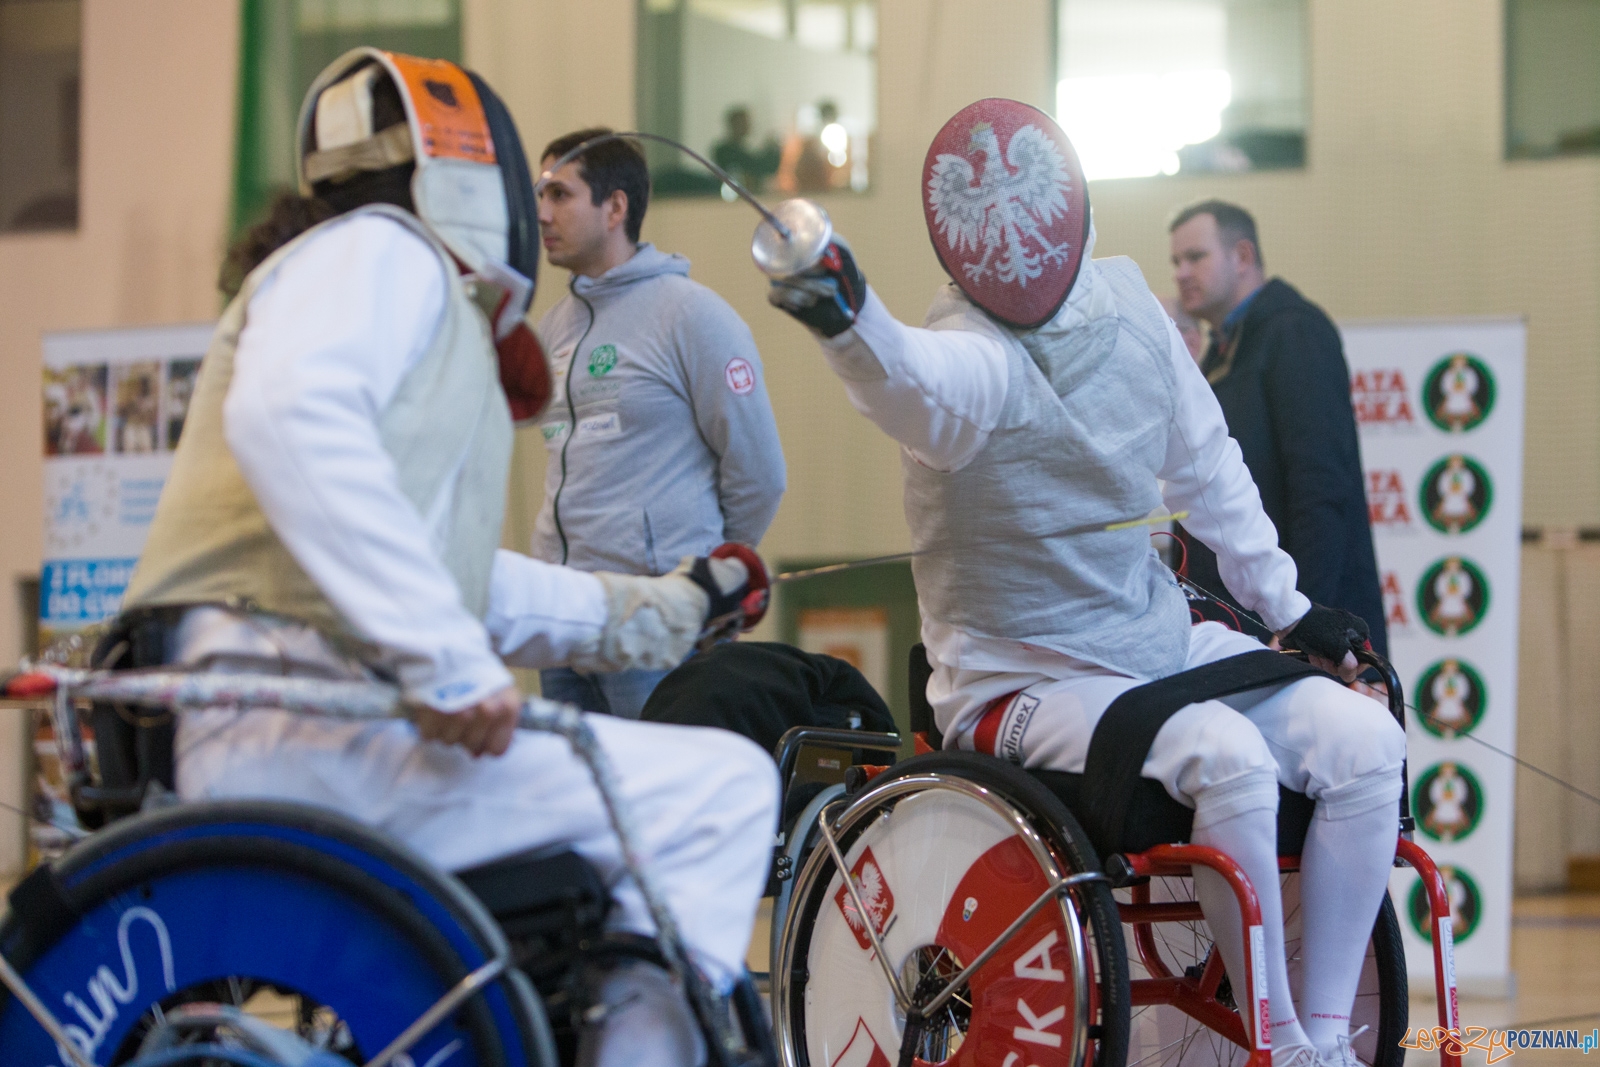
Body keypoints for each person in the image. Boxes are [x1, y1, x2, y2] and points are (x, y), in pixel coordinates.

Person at [120, 51, 777, 1067]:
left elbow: (463, 579)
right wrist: (447, 662)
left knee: (624, 812)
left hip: (274, 722)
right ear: (473, 176)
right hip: (305, 730)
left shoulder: (348, 278)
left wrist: (671, 603)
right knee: (720, 786)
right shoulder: (384, 251)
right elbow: (292, 416)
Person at [766, 99, 1405, 1067]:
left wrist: (1292, 608)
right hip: (1018, 678)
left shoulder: (1134, 309)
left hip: (1150, 637)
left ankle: (1319, 1036)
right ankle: (1270, 1037)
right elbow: (906, 378)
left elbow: (1210, 468)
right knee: (1227, 756)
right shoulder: (971, 359)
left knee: (1366, 741)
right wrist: (844, 316)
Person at [532, 128, 786, 718]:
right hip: (564, 619)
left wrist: (704, 579)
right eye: (539, 195)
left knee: (658, 802)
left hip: (655, 625)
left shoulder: (692, 316)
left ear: (615, 206)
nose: (542, 213)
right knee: (576, 805)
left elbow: (761, 473)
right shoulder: (553, 327)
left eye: (559, 195)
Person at [1169, 200, 1387, 656]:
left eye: (1196, 257)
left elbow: (1321, 488)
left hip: (1304, 635)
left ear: (1242, 256)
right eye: (1175, 261)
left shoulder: (1294, 333)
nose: (1181, 273)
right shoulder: (1224, 352)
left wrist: (1304, 621)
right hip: (1247, 629)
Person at [710, 105, 781, 193]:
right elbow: (755, 166)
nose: (748, 125)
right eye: (744, 122)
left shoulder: (738, 149)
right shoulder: (725, 151)